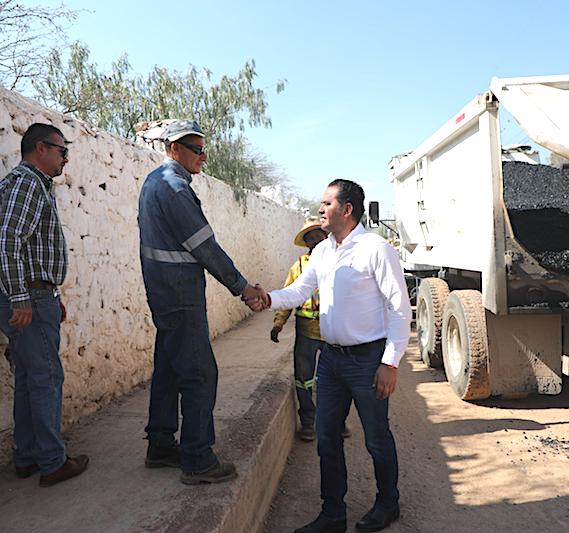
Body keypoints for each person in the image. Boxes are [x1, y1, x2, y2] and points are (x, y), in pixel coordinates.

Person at [247, 179, 412, 533]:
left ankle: (388, 504)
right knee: (326, 437)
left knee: (376, 438)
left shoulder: (375, 249)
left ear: (347, 209)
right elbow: (299, 290)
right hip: (332, 361)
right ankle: (333, 513)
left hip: (368, 361)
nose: (320, 209)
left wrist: (390, 362)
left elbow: (399, 309)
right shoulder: (322, 251)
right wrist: (269, 299)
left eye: (326, 203)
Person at [138, 119, 264, 485]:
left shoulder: (153, 182)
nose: (203, 157)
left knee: (168, 368)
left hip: (163, 292)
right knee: (198, 373)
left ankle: (160, 445)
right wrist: (242, 287)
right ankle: (197, 458)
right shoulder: (174, 187)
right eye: (196, 149)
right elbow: (204, 246)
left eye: (203, 149)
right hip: (180, 295)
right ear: (174, 149)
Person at [0, 123, 89, 487]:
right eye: (63, 150)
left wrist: (51, 296)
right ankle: (52, 461)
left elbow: (28, 248)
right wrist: (21, 296)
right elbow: (6, 241)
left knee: (31, 378)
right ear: (41, 148)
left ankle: (28, 456)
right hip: (26, 295)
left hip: (36, 294)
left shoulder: (31, 184)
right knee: (46, 378)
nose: (66, 157)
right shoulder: (27, 182)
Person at [270, 219, 328, 442]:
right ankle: (308, 423)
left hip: (333, 333)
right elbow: (288, 294)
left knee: (331, 381)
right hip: (306, 332)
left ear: (325, 236)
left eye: (317, 234)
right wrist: (278, 323)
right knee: (304, 379)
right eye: (310, 237)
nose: (314, 239)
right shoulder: (299, 267)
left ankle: (335, 422)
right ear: (306, 242)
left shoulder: (337, 262)